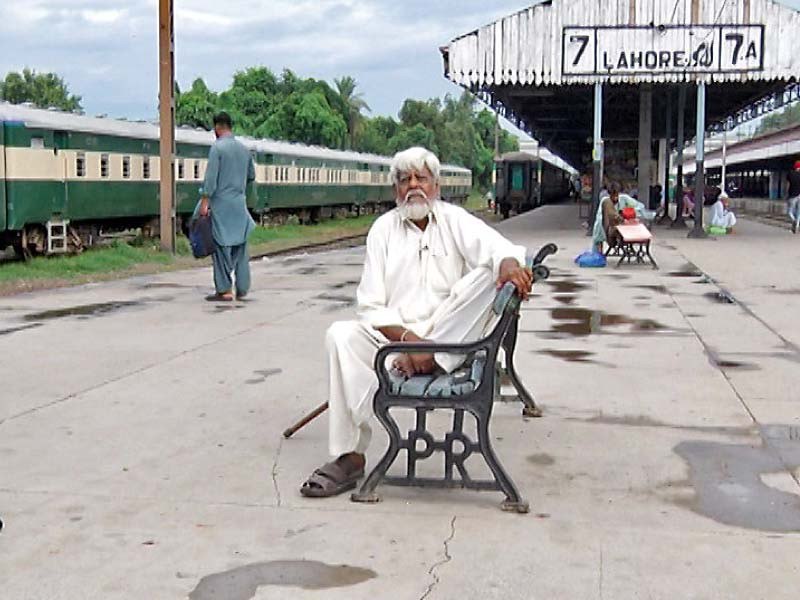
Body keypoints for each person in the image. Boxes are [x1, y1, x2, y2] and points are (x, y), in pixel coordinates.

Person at [300, 147, 532, 498]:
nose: (413, 186)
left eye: (420, 178)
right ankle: (349, 456)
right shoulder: (382, 230)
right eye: (404, 179)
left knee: (488, 276)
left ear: (436, 186)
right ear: (395, 189)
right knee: (341, 335)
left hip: (450, 336)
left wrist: (508, 267)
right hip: (398, 344)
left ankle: (433, 358)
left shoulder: (455, 220)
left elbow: (501, 248)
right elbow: (370, 306)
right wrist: (410, 341)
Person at [199, 112, 256, 302]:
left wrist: (205, 202)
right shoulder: (244, 149)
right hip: (239, 205)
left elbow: (210, 180)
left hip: (221, 205)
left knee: (221, 249)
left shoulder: (217, 148)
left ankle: (224, 290)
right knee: (241, 250)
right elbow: (251, 176)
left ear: (217, 127)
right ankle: (242, 288)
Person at [786, 161, 800, 234]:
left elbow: (788, 185)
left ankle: (793, 220)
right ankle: (796, 227)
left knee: (789, 211)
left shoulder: (790, 173)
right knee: (798, 212)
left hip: (792, 195)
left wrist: (786, 193)